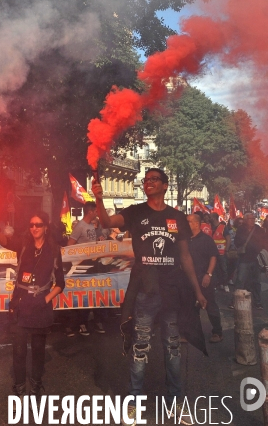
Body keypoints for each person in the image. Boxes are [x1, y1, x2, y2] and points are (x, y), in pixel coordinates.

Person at [93, 168, 207, 425]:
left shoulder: (176, 217)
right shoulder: (135, 212)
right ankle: (134, 402)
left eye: (154, 179)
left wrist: (198, 290)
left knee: (173, 348)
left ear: (165, 185)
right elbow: (107, 223)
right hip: (145, 291)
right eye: (145, 180)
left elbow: (186, 257)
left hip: (172, 290)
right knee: (140, 347)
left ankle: (176, 403)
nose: (148, 183)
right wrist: (99, 199)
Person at [9, 212, 65, 398]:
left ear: (46, 227)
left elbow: (60, 283)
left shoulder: (53, 250)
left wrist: (45, 299)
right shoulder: (23, 246)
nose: (34, 228)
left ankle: (35, 387)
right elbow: (4, 241)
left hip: (40, 306)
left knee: (38, 351)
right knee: (18, 352)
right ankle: (19, 389)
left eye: (39, 224)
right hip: (21, 304)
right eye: (32, 224)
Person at [67, 201, 106, 336]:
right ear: (90, 212)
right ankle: (81, 324)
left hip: (93, 265)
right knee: (84, 295)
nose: (97, 214)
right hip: (82, 266)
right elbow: (70, 245)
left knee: (93, 294)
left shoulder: (91, 226)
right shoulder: (80, 226)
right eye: (95, 212)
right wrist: (77, 260)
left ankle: (94, 322)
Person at [187, 214, 223, 342]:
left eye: (189, 222)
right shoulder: (185, 239)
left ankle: (217, 332)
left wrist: (209, 274)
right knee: (189, 307)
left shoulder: (206, 239)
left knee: (210, 305)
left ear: (197, 224)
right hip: (189, 279)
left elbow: (213, 257)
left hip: (204, 278)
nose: (186, 224)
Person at [230, 212, 267, 310]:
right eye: (250, 218)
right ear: (246, 220)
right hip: (244, 259)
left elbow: (264, 241)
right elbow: (237, 241)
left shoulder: (258, 229)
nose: (253, 220)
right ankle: (234, 301)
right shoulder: (241, 229)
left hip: (256, 259)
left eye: (253, 218)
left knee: (256, 281)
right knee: (240, 280)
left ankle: (257, 302)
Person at [209, 212, 228, 291]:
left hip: (221, 252)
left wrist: (227, 249)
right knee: (215, 269)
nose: (208, 219)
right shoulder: (210, 227)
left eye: (210, 217)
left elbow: (228, 238)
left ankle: (225, 284)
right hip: (213, 253)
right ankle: (217, 284)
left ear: (213, 218)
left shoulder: (223, 227)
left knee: (223, 269)